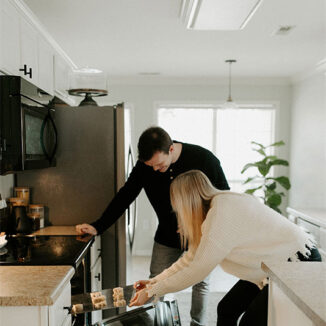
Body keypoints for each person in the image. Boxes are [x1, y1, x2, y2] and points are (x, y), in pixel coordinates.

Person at [76, 127, 230, 326]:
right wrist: (98, 226)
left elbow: (223, 198)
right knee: (155, 281)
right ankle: (159, 323)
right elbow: (125, 195)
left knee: (201, 282)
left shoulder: (204, 159)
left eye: (159, 164)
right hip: (166, 234)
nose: (155, 170)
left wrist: (203, 222)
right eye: (151, 166)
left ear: (171, 149)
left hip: (200, 233)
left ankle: (197, 323)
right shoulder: (145, 166)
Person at [129, 170, 322, 326]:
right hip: (273, 266)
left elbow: (196, 270)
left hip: (297, 261)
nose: (177, 210)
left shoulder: (222, 213)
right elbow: (189, 261)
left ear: (186, 201)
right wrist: (153, 282)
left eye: (177, 205)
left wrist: (154, 291)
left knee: (251, 322)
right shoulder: (214, 211)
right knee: (227, 308)